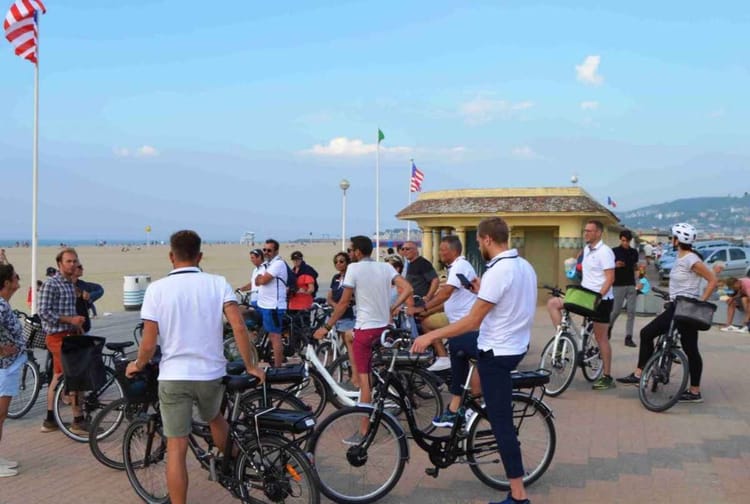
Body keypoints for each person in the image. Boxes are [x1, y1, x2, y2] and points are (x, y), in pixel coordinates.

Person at [125, 230, 264, 504]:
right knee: (214, 417)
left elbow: (149, 343)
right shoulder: (217, 283)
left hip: (174, 376)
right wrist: (251, 365)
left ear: (171, 256)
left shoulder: (156, 290)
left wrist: (137, 364)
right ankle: (234, 462)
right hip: (211, 373)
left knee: (176, 448)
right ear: (200, 256)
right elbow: (238, 326)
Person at [411, 217, 537, 504]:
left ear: (488, 240)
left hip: (497, 351)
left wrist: (432, 336)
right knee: (460, 353)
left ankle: (518, 495)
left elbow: (472, 321)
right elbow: (509, 301)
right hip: (514, 345)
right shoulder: (523, 266)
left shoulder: (498, 271)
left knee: (502, 425)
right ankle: (462, 405)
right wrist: (479, 290)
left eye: (479, 241)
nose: (478, 245)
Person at [313, 236, 413, 444]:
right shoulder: (385, 268)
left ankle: (364, 431)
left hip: (366, 329)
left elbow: (342, 304)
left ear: (358, 252)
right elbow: (408, 289)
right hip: (384, 329)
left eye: (350, 251)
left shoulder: (354, 269)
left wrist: (326, 327)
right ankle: (359, 377)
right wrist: (392, 309)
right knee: (350, 337)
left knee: (365, 387)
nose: (349, 254)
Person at [617, 223, 717, 403]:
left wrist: (700, 301)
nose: (672, 240)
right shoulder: (683, 257)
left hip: (682, 308)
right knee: (691, 349)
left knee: (647, 333)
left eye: (673, 237)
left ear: (678, 240)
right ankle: (695, 392)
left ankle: (639, 373)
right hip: (679, 306)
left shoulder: (691, 259)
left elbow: (712, 279)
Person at [417, 235, 480, 428]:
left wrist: (423, 306)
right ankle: (458, 409)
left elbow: (445, 294)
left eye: (443, 249)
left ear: (453, 250)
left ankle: (474, 408)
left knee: (473, 362)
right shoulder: (455, 268)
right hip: (458, 325)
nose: (440, 252)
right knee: (462, 365)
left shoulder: (460, 266)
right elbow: (447, 297)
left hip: (466, 326)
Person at [38, 248, 88, 434]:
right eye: (69, 261)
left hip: (70, 335)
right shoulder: (51, 284)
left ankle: (51, 420)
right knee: (70, 375)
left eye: (75, 261)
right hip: (57, 337)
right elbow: (43, 312)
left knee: (58, 376)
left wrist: (76, 324)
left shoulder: (69, 284)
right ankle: (77, 420)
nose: (73, 264)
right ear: (59, 264)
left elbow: (66, 311)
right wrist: (70, 320)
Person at [581, 220, 616, 390]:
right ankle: (561, 342)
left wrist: (599, 296)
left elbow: (610, 278)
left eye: (589, 231)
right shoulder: (587, 249)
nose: (586, 233)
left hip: (601, 300)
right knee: (554, 304)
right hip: (585, 297)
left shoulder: (605, 252)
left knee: (601, 337)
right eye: (585, 230)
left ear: (598, 233)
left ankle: (607, 376)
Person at [0, 264, 25, 477]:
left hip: (9, 365)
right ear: (7, 283)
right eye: (15, 276)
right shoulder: (0, 305)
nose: (19, 279)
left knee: (1, 414)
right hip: (4, 367)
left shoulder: (3, 303)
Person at [255, 239, 288, 367]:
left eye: (269, 250)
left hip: (273, 306)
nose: (266, 252)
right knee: (270, 335)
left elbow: (262, 280)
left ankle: (278, 366)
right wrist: (261, 279)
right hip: (264, 305)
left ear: (276, 251)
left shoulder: (278, 264)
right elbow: (258, 280)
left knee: (275, 336)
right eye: (264, 250)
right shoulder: (267, 265)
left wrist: (261, 279)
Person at [326, 252, 358, 384]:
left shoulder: (351, 278)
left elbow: (352, 297)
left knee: (350, 346)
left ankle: (355, 376)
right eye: (336, 262)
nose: (339, 264)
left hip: (348, 316)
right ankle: (347, 370)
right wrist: (336, 305)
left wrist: (342, 305)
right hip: (338, 314)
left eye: (341, 261)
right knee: (341, 345)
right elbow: (329, 296)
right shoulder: (335, 278)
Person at [609, 230, 640, 347]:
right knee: (616, 310)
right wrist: (615, 265)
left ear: (630, 241)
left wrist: (639, 280)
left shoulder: (634, 252)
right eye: (623, 241)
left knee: (631, 312)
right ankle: (609, 326)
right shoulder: (614, 251)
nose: (625, 243)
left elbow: (635, 267)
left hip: (631, 283)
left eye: (627, 241)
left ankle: (628, 337)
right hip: (618, 284)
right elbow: (608, 267)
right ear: (620, 240)